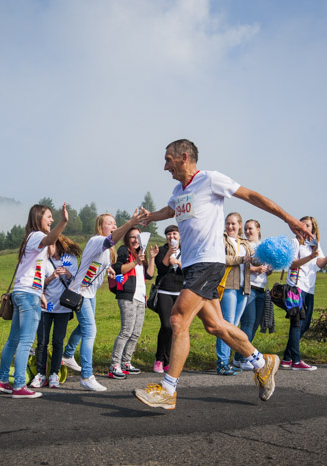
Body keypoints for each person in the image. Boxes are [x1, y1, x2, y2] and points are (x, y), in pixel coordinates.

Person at [134, 139, 313, 410]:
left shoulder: (209, 179)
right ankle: (262, 363)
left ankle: (168, 390)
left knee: (178, 319)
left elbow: (251, 196)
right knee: (215, 325)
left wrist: (288, 218)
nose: (165, 166)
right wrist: (151, 217)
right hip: (193, 266)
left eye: (168, 159)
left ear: (184, 157)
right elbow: (170, 210)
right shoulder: (178, 190)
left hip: (208, 262)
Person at [61, 210, 147, 391]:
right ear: (101, 226)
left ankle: (67, 355)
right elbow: (111, 240)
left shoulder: (107, 251)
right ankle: (86, 376)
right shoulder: (97, 240)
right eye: (110, 223)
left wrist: (109, 270)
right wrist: (130, 222)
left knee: (84, 327)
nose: (114, 226)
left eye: (115, 223)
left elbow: (96, 264)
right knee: (90, 330)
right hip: (81, 293)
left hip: (90, 294)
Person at [0, 203, 70, 399]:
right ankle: (19, 385)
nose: (52, 220)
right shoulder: (36, 236)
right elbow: (50, 239)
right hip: (28, 296)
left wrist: (41, 295)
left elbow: (50, 251)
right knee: (26, 341)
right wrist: (63, 222)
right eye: (49, 217)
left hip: (24, 293)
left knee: (14, 340)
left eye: (53, 217)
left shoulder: (32, 239)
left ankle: (2, 380)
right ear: (38, 218)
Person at [281, 216, 327, 371]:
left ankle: (287, 358)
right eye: (302, 224)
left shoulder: (314, 244)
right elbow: (292, 264)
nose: (305, 227)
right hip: (296, 286)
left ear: (313, 228)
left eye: (308, 225)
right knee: (296, 323)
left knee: (305, 324)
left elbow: (320, 263)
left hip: (309, 288)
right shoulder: (295, 242)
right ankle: (296, 360)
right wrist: (310, 256)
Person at [29, 235, 81, 389]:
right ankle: (40, 374)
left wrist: (68, 274)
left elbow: (76, 281)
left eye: (50, 246)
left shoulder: (70, 258)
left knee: (58, 341)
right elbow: (38, 283)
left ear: (57, 244)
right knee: (42, 341)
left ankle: (54, 374)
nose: (47, 249)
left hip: (63, 306)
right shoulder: (42, 259)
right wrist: (52, 277)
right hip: (45, 306)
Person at [108, 227, 158, 379]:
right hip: (127, 295)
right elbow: (119, 269)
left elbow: (149, 275)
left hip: (140, 297)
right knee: (126, 331)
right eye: (133, 237)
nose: (136, 240)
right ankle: (114, 365)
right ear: (127, 239)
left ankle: (126, 363)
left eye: (138, 237)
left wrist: (151, 257)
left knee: (135, 333)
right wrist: (135, 261)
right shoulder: (124, 250)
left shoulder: (140, 253)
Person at [233, 219, 274, 371]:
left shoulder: (264, 247)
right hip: (248, 287)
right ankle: (244, 357)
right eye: (246, 229)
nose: (247, 231)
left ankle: (239, 357)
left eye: (250, 228)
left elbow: (268, 269)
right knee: (247, 324)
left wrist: (268, 270)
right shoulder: (244, 245)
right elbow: (240, 264)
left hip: (261, 288)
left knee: (255, 324)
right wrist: (255, 269)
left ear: (258, 229)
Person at [216, 212, 251, 375]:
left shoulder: (245, 243)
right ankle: (222, 362)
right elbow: (221, 258)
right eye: (228, 223)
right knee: (226, 324)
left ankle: (228, 361)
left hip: (244, 287)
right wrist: (241, 259)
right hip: (228, 285)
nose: (230, 226)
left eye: (233, 224)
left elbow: (252, 260)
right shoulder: (222, 239)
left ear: (239, 225)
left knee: (234, 326)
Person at [152, 225, 184, 373]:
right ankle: (159, 359)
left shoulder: (186, 250)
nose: (172, 236)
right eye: (169, 234)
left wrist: (178, 262)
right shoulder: (161, 250)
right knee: (166, 325)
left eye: (174, 234)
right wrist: (169, 253)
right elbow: (161, 267)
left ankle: (168, 360)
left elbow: (190, 270)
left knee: (175, 327)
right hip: (164, 291)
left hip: (180, 292)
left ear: (180, 235)